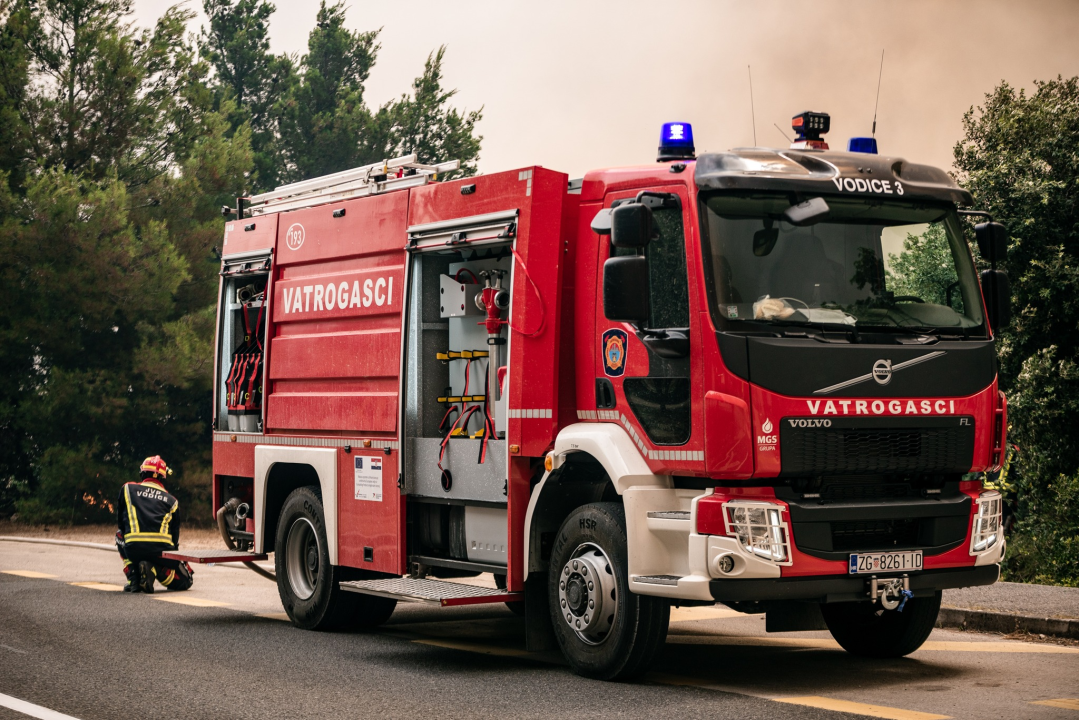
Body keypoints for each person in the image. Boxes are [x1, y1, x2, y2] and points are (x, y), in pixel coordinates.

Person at [115, 456, 193, 593]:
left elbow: (120, 522)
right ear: (163, 478)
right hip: (162, 553)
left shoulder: (127, 489)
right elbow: (175, 538)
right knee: (186, 580)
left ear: (142, 473)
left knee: (119, 535)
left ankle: (133, 580)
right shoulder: (172, 501)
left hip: (134, 548)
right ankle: (156, 569)